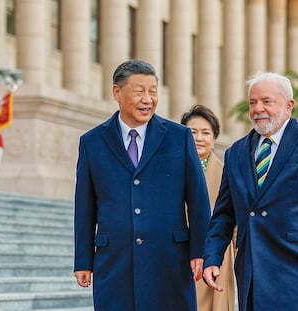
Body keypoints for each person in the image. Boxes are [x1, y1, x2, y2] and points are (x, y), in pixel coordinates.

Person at [202, 72, 298, 311]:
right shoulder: (235, 152)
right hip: (253, 273)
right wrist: (212, 258)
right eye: (252, 103)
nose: (258, 109)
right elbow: (224, 214)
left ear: (289, 106)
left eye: (267, 101)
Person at [73, 59, 211, 311]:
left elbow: (198, 200)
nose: (147, 99)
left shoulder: (179, 137)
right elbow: (85, 207)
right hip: (114, 262)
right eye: (139, 91)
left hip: (169, 260)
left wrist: (200, 251)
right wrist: (83, 260)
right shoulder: (92, 142)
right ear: (117, 92)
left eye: (153, 91)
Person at [181, 105, 236, 311]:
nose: (199, 138)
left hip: (215, 256)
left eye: (206, 133)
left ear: (214, 139)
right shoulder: (169, 171)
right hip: (180, 253)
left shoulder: (226, 173)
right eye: (192, 132)